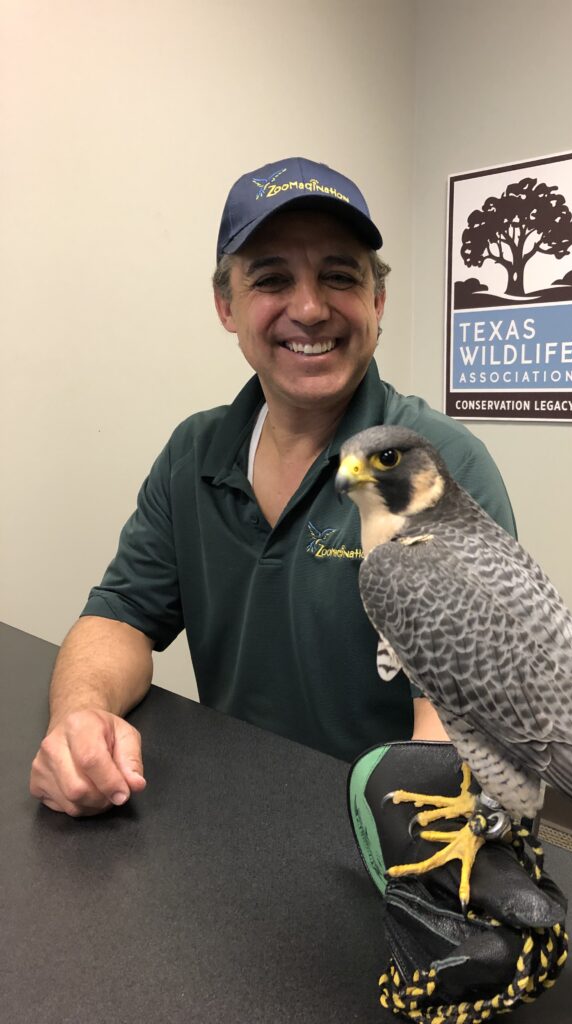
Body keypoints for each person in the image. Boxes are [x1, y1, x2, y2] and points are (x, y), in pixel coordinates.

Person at [29, 157, 516, 817]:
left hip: (381, 830)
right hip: (225, 816)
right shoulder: (193, 454)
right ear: (226, 306)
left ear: (377, 302)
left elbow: (456, 723)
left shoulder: (439, 466)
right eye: (271, 279)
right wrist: (81, 718)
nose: (310, 309)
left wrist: (396, 837)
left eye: (339, 276)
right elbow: (120, 617)